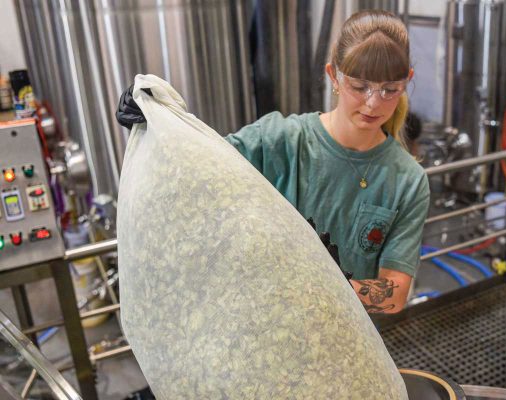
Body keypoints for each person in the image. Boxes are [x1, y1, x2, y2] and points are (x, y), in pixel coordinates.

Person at [116, 10, 430, 313]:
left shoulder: (407, 179)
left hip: (351, 343)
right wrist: (155, 125)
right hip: (269, 326)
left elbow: (395, 294)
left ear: (407, 81)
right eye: (359, 86)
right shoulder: (278, 141)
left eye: (390, 90)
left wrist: (334, 284)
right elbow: (195, 168)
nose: (374, 103)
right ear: (333, 76)